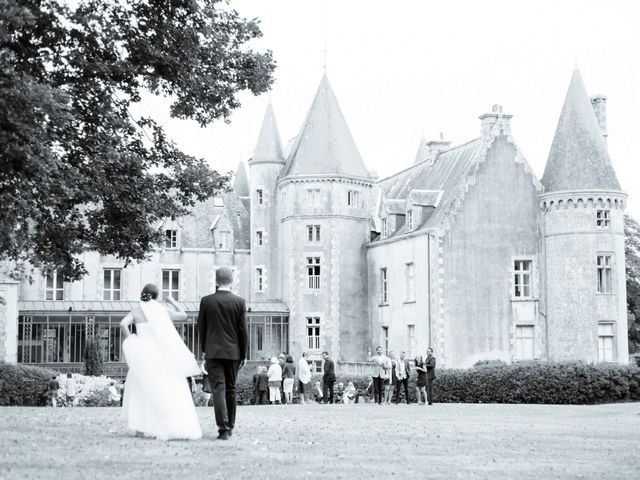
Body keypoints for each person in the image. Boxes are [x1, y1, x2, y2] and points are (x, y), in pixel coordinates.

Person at [120, 284, 202, 440]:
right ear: (156, 296)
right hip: (161, 355)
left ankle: (140, 428)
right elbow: (183, 316)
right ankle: (165, 422)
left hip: (143, 354)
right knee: (166, 386)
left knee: (142, 387)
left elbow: (123, 324)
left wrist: (131, 338)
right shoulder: (162, 311)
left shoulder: (136, 311)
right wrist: (172, 301)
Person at [197, 267, 249, 440]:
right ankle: (231, 425)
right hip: (234, 352)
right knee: (231, 389)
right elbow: (243, 330)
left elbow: (201, 328)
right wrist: (244, 354)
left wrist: (205, 350)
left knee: (218, 389)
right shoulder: (239, 302)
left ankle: (223, 429)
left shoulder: (206, 301)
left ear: (216, 281)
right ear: (231, 281)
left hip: (213, 351)